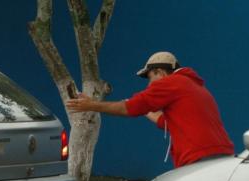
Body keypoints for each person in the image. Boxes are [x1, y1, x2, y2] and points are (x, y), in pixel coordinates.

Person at [66, 51, 234, 168]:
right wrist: (145, 109)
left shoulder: (170, 83)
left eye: (150, 77)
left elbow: (129, 109)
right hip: (223, 155)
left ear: (160, 72)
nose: (149, 84)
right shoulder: (196, 87)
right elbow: (165, 122)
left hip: (199, 158)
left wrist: (90, 105)